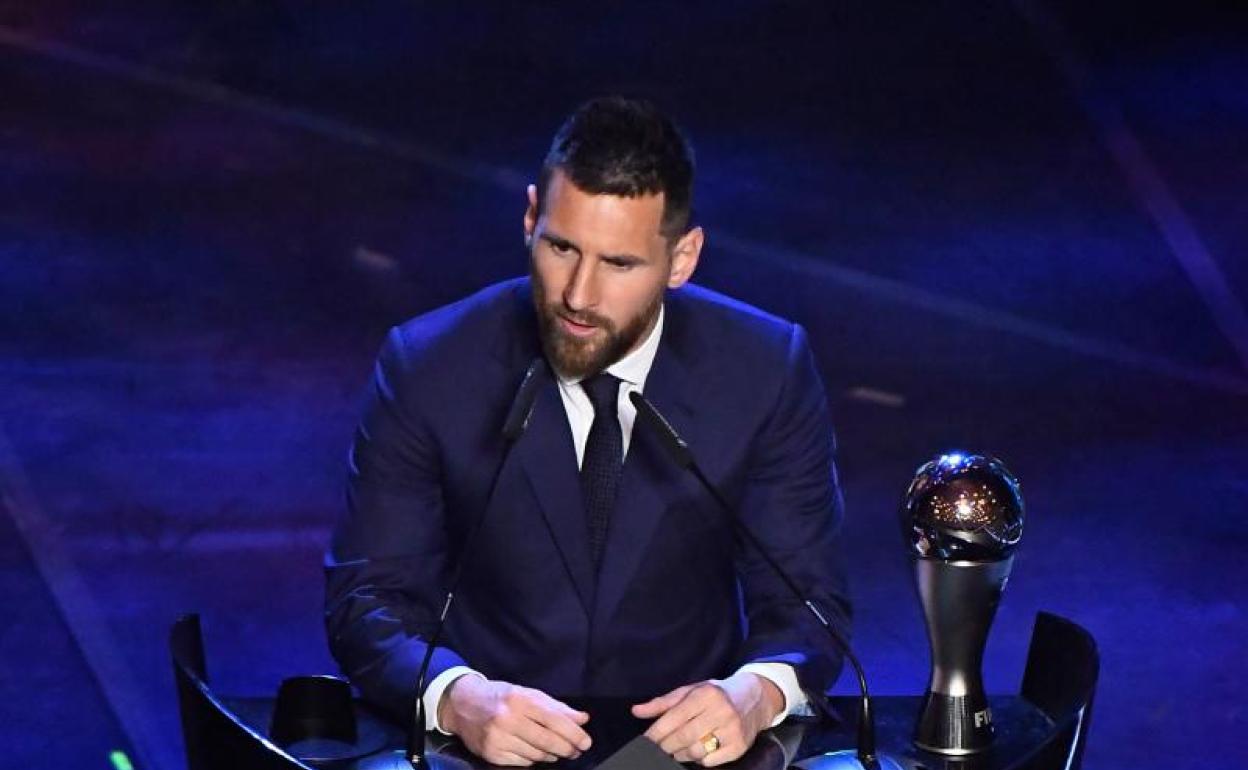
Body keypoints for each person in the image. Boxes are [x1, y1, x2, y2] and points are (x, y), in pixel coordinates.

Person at [324, 96, 851, 767]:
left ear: (682, 258)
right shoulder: (430, 364)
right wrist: (457, 698)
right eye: (561, 247)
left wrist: (754, 694)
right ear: (530, 219)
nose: (578, 294)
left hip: (678, 755)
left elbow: (808, 603)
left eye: (619, 264)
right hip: (485, 748)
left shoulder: (765, 367)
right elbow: (368, 600)